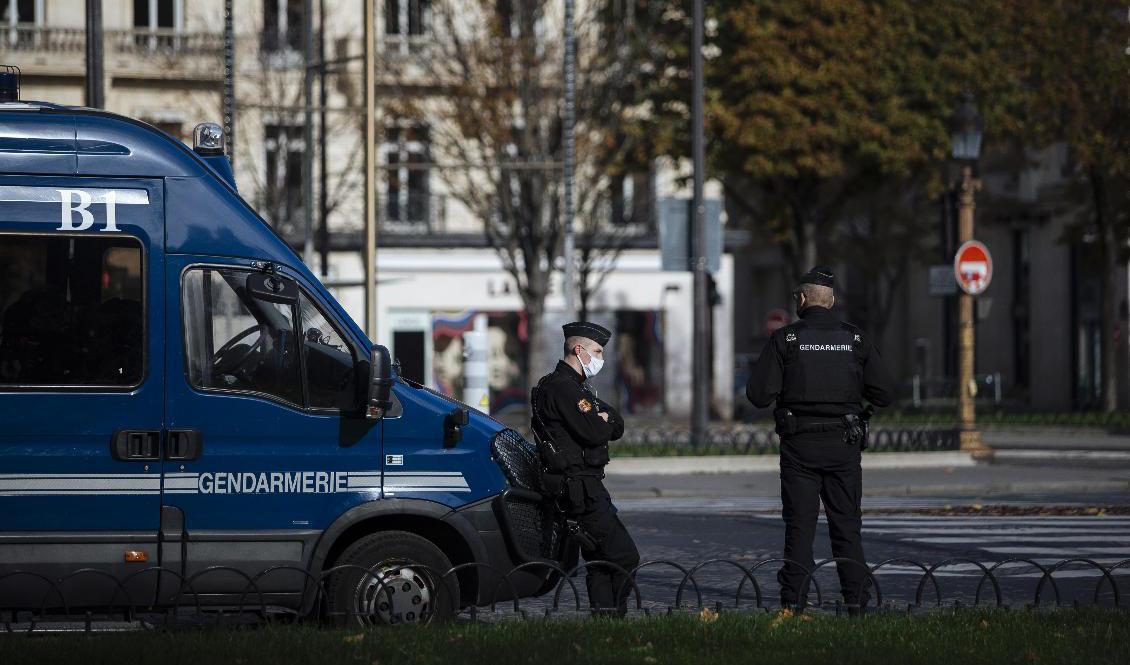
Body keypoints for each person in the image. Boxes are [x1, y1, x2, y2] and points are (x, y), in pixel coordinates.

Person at [746, 266, 894, 612]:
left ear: (801, 299)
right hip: (844, 444)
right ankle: (856, 602)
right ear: (832, 300)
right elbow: (884, 393)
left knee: (800, 527)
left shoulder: (786, 339)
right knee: (847, 526)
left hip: (800, 446)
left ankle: (794, 603)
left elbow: (758, 395)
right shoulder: (855, 339)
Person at [530, 321, 639, 615]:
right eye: (598, 352)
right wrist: (601, 421)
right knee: (624, 556)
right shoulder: (564, 388)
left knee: (600, 561)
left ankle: (604, 620)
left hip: (580, 487)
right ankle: (612, 615)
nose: (601, 359)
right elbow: (597, 432)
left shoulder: (571, 386)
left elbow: (616, 423)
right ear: (579, 350)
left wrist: (604, 419)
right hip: (580, 489)